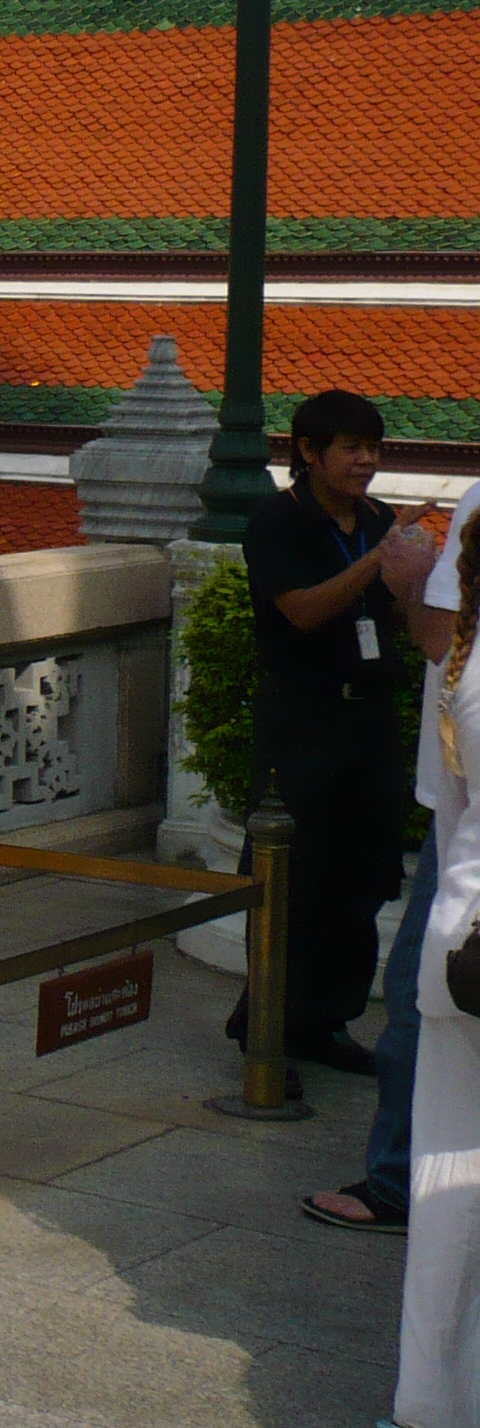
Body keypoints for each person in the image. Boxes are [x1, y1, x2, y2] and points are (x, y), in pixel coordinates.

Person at [305, 483, 467, 1233]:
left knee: (420, 993)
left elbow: (448, 647)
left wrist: (407, 581)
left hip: (465, 810)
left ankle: (401, 1179)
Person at [235, 390, 413, 1074]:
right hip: (302, 722)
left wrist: (417, 576)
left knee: (361, 879)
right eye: (351, 448)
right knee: (291, 882)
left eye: (374, 448)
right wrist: (375, 561)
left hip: (369, 719)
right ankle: (266, 1031)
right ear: (309, 452)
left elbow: (394, 611)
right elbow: (303, 612)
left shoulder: (379, 518)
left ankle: (326, 1022)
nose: (366, 461)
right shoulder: (277, 522)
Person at [374, 514, 480, 1428]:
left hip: (462, 941)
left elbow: (448, 825)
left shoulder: (463, 672)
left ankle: (426, 1406)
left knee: (447, 1175)